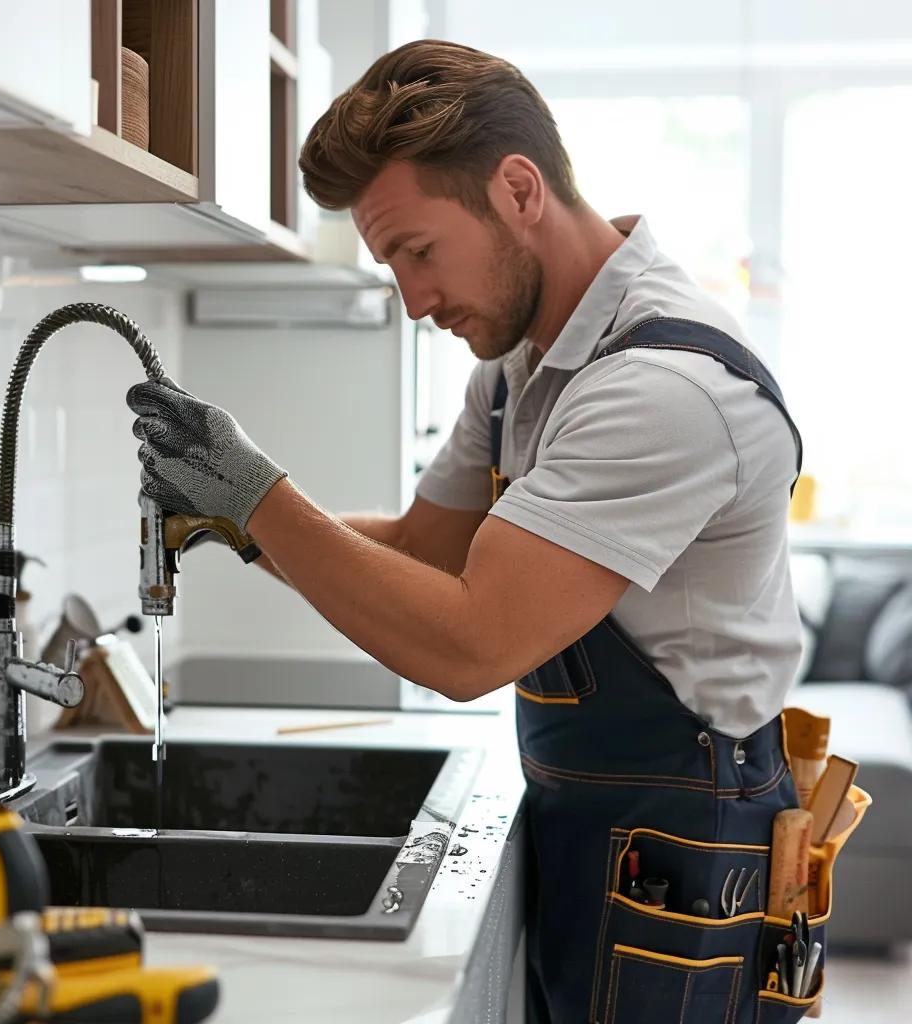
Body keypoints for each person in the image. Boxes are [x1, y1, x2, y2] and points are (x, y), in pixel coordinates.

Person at [127, 40, 806, 1024]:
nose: (413, 301)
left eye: (418, 251)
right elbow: (420, 553)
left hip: (691, 856)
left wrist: (254, 494)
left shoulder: (662, 390)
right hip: (599, 828)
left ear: (518, 190)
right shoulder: (519, 366)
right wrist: (232, 521)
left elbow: (470, 643)